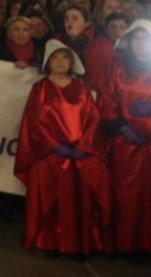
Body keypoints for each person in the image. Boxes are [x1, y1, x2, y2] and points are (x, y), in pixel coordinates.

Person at [14, 40, 111, 259]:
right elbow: (34, 122)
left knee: (80, 198)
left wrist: (83, 146)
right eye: (55, 58)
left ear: (71, 61)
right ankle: (50, 241)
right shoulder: (40, 89)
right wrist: (56, 147)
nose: (60, 62)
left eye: (64, 57)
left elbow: (93, 119)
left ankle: (78, 243)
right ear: (48, 61)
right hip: (50, 154)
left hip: (80, 153)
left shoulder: (82, 89)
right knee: (54, 197)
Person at [99, 18, 151, 261]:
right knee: (126, 195)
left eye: (146, 38)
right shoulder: (117, 67)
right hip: (126, 145)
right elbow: (107, 101)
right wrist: (121, 127)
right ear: (129, 40)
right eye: (137, 38)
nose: (141, 43)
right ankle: (124, 244)